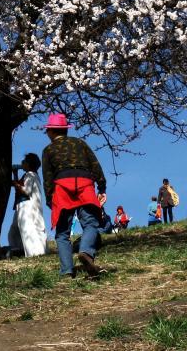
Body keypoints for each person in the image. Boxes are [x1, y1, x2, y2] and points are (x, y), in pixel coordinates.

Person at [41, 113, 107, 278]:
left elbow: (48, 177)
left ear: (50, 131)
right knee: (91, 223)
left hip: (62, 185)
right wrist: (102, 187)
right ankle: (85, 251)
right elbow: (95, 164)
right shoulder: (80, 143)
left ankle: (67, 271)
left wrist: (50, 198)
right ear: (66, 130)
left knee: (63, 231)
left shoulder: (48, 150)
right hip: (84, 182)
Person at [7, 153, 48, 257]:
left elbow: (26, 190)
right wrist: (15, 176)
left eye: (24, 161)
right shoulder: (31, 175)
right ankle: (19, 249)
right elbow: (21, 186)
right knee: (15, 230)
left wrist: (14, 183)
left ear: (29, 164)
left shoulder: (30, 174)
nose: (22, 163)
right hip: (22, 205)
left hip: (26, 206)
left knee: (27, 228)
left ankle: (34, 252)